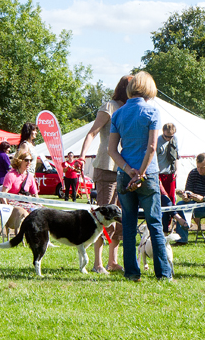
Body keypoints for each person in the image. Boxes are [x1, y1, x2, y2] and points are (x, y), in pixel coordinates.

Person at [108, 71, 172, 281]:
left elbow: (111, 150)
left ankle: (132, 273)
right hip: (148, 175)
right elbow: (152, 147)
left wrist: (128, 171)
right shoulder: (152, 111)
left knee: (127, 224)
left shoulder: (118, 113)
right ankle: (163, 274)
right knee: (154, 223)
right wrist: (142, 173)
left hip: (125, 176)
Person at [80, 75, 131, 275]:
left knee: (119, 216)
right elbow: (92, 133)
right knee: (102, 216)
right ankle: (97, 263)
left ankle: (113, 261)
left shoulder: (131, 109)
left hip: (124, 168)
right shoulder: (109, 106)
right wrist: (82, 156)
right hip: (106, 167)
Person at [156, 122, 179, 204]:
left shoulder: (174, 139)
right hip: (159, 174)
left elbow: (176, 156)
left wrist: (176, 170)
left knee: (171, 197)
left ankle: (171, 216)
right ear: (163, 132)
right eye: (166, 136)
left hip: (170, 173)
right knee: (162, 197)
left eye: (171, 136)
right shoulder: (157, 141)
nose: (168, 138)